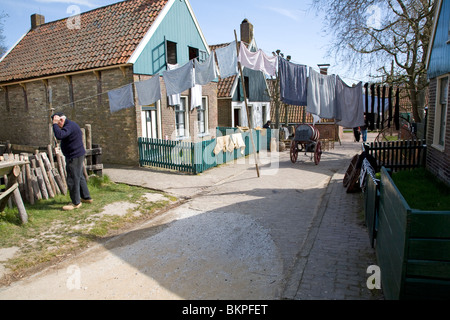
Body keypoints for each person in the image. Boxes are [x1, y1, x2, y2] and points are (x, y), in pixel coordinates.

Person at [52, 112, 93, 211]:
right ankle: (86, 197)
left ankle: (75, 202)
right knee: (79, 176)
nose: (58, 126)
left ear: (61, 120)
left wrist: (54, 124)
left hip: (73, 156)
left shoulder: (69, 126)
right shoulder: (72, 124)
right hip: (78, 154)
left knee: (72, 179)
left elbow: (59, 135)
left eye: (58, 123)